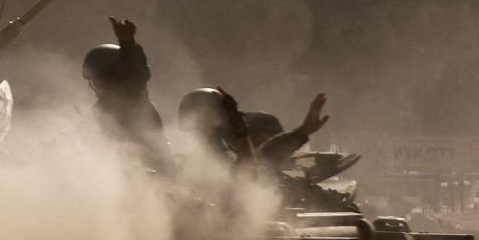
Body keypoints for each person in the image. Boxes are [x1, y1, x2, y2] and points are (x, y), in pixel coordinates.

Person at [83, 16, 166, 168]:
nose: (97, 86)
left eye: (100, 79)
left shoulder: (135, 99)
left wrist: (128, 43)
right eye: (94, 81)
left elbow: (138, 73)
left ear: (114, 75)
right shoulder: (100, 110)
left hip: (151, 177)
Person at [176, 87, 330, 169]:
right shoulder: (196, 162)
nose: (199, 134)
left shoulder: (242, 137)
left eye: (201, 127)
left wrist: (302, 132)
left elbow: (258, 161)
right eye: (196, 129)